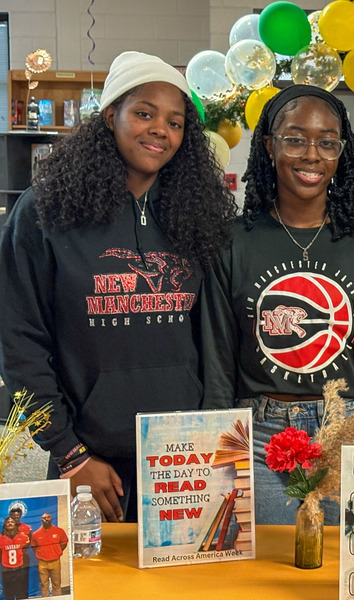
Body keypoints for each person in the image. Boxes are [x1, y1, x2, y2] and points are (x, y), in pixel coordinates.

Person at [0, 51, 238, 522]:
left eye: (175, 122)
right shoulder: (45, 211)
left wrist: (214, 437)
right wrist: (68, 452)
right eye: (144, 114)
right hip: (87, 461)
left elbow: (216, 339)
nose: (160, 130)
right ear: (111, 115)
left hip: (184, 461)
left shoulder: (201, 217)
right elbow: (19, 342)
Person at [200, 85, 354, 525]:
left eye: (327, 142)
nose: (312, 155)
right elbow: (217, 360)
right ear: (269, 145)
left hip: (350, 430)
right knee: (264, 566)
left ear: (341, 152)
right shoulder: (231, 242)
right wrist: (218, 443)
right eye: (295, 139)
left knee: (345, 562)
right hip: (258, 434)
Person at [30, 513, 67, 597]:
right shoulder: (36, 534)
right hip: (42, 563)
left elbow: (64, 543)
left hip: (55, 562)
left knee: (57, 584)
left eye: (48, 517)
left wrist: (56, 552)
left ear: (51, 519)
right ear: (41, 520)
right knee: (44, 584)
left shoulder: (59, 531)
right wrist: (42, 554)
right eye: (44, 518)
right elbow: (34, 547)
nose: (46, 519)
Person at [0, 516, 29, 599]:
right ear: (5, 525)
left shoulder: (23, 536)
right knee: (9, 594)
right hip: (6, 569)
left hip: (20, 568)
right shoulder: (1, 538)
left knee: (21, 593)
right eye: (8, 522)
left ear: (15, 524)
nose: (10, 523)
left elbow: (26, 549)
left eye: (12, 522)